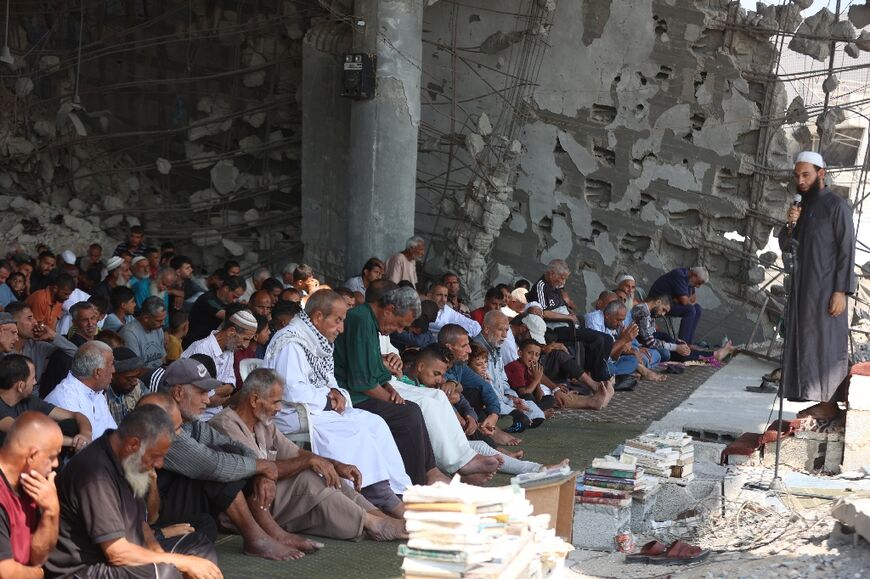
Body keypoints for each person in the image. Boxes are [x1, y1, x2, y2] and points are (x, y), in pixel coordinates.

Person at [210, 369, 408, 541]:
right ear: (254, 400)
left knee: (328, 473)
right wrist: (310, 461)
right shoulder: (226, 424)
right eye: (276, 402)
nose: (279, 408)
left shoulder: (263, 423)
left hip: (271, 496)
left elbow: (296, 452)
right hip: (249, 506)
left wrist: (335, 465)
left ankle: (380, 517)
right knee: (308, 478)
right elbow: (259, 468)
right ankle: (374, 524)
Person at [264, 289, 412, 515]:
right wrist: (328, 401)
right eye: (338, 320)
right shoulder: (291, 342)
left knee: (376, 424)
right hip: (292, 413)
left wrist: (338, 394)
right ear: (318, 317)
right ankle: (377, 496)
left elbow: (329, 381)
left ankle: (398, 490)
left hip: (319, 407)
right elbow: (291, 391)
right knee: (352, 430)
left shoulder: (317, 339)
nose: (342, 328)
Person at [155, 358, 320, 561]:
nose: (208, 400)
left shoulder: (193, 424)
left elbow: (234, 447)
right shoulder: (159, 423)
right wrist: (261, 467)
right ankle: (256, 538)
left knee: (229, 455)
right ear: (179, 393)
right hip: (155, 513)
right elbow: (211, 465)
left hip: (180, 503)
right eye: (202, 392)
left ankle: (270, 532)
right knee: (220, 464)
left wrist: (263, 471)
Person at [333, 284, 499, 484]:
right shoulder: (360, 320)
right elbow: (363, 382)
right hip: (353, 395)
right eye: (400, 325)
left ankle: (456, 461)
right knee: (410, 411)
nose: (399, 330)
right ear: (389, 310)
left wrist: (389, 389)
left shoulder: (369, 321)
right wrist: (392, 399)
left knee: (432, 398)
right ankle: (426, 477)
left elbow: (376, 372)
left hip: (366, 389)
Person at [46, 404, 222, 579]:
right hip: (86, 569)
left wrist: (160, 554)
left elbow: (141, 525)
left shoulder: (127, 460)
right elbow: (117, 553)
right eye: (155, 456)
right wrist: (176, 562)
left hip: (121, 555)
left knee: (198, 547)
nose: (159, 464)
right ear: (133, 444)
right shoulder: (95, 475)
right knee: (164, 573)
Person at [779, 151, 856, 414]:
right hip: (803, 289)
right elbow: (787, 245)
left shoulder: (837, 206)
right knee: (805, 342)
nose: (800, 181)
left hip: (826, 289)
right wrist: (790, 224)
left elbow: (846, 250)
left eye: (806, 175)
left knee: (826, 343)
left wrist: (841, 290)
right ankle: (812, 398)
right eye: (797, 176)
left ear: (821, 174)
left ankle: (829, 404)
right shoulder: (802, 207)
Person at [527, 259, 613, 383]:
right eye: (562, 278)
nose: (563, 282)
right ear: (551, 274)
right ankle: (598, 377)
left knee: (608, 339)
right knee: (598, 339)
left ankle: (597, 371)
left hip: (569, 324)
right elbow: (544, 313)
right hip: (556, 328)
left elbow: (562, 303)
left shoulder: (556, 286)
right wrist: (569, 318)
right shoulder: (541, 287)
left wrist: (569, 311)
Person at [0, 412, 63, 577]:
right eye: (52, 457)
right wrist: (39, 574)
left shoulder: (30, 484)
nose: (56, 464)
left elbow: (38, 557)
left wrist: (51, 511)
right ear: (32, 456)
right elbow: (6, 573)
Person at [0, 355, 92, 451]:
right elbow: (28, 433)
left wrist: (85, 435)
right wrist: (74, 442)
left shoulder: (29, 400)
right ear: (21, 386)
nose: (35, 382)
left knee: (71, 425)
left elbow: (76, 415)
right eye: (32, 378)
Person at [474, 311, 547, 431]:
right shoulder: (477, 350)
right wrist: (511, 404)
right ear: (486, 329)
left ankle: (508, 420)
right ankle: (497, 423)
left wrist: (513, 398)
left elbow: (503, 381)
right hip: (489, 403)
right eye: (500, 329)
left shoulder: (496, 347)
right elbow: (487, 389)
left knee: (538, 416)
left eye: (507, 330)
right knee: (522, 420)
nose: (504, 335)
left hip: (503, 400)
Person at [182, 310, 257, 419]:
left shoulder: (230, 348)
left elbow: (230, 387)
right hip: (197, 418)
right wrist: (215, 397)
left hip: (216, 415)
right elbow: (199, 397)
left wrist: (215, 395)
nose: (246, 346)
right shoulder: (202, 349)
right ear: (231, 331)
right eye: (245, 339)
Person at [46, 342, 117, 439]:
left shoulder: (96, 392)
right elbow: (86, 445)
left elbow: (113, 434)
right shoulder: (66, 400)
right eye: (111, 364)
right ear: (98, 373)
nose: (114, 370)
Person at [5, 303, 77, 385]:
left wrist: (53, 337)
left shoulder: (36, 345)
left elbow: (76, 354)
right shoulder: (3, 348)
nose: (35, 322)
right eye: (29, 318)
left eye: (33, 318)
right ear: (14, 322)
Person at [40, 302, 100, 398]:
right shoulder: (65, 352)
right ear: (75, 323)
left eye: (93, 318)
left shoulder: (98, 343)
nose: (90, 323)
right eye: (85, 320)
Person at [647, 266, 708, 345]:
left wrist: (680, 299)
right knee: (690, 310)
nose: (698, 286)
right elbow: (685, 301)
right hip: (657, 304)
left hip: (669, 303)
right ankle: (682, 345)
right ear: (694, 275)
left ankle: (689, 344)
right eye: (698, 283)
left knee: (697, 308)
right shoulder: (680, 275)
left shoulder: (690, 280)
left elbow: (693, 299)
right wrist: (682, 299)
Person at [184, 276, 245, 348]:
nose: (235, 300)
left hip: (207, 343)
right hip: (193, 342)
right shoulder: (208, 299)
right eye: (234, 296)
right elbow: (227, 316)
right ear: (226, 288)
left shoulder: (227, 302)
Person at [120, 296, 166, 370]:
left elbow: (163, 358)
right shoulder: (129, 333)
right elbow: (135, 368)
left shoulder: (158, 328)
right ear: (146, 318)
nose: (163, 324)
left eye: (163, 319)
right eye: (159, 320)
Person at [106, 348, 147, 424]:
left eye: (137, 376)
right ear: (112, 375)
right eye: (129, 378)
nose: (135, 382)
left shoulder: (138, 386)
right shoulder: (101, 396)